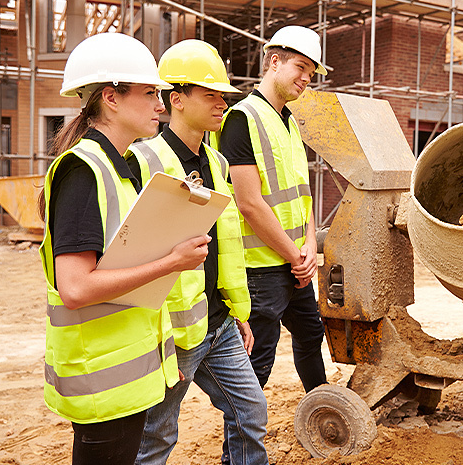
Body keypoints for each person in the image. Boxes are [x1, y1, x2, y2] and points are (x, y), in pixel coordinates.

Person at [39, 32, 211, 465]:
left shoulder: (124, 166)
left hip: (124, 377)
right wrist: (171, 262)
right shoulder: (83, 170)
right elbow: (76, 288)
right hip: (101, 381)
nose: (160, 103)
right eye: (150, 92)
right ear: (111, 98)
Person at [127, 39, 268, 465]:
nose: (221, 103)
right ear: (177, 99)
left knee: (251, 412)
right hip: (172, 327)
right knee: (157, 435)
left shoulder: (218, 163)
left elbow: (227, 245)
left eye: (223, 96)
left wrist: (237, 310)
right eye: (210, 95)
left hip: (217, 320)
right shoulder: (141, 161)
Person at [214, 25, 328, 393]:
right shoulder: (240, 119)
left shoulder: (291, 122)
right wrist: (296, 255)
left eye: (312, 72)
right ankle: (239, 452)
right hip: (262, 270)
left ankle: (323, 409)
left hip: (294, 261)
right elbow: (249, 203)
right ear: (274, 62)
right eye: (301, 67)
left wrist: (310, 245)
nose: (307, 78)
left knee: (311, 334)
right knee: (258, 363)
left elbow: (302, 195)